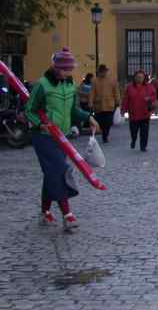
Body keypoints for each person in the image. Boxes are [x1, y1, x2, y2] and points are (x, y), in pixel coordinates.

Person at [25, 48, 99, 231]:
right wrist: (38, 124)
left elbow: (73, 110)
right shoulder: (41, 85)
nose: (69, 72)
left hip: (62, 136)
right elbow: (29, 110)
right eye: (65, 69)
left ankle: (45, 211)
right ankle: (68, 214)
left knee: (52, 173)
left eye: (70, 69)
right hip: (44, 136)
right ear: (56, 68)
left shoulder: (70, 85)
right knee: (59, 171)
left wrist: (88, 117)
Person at [122, 70, 156, 152]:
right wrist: (123, 109)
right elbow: (126, 99)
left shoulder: (149, 86)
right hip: (133, 113)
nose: (139, 78)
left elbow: (154, 96)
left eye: (141, 77)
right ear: (134, 78)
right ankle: (133, 140)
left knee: (144, 132)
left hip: (145, 112)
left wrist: (149, 99)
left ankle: (143, 146)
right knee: (133, 131)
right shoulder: (130, 87)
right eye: (138, 77)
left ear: (144, 78)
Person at [89, 65, 120, 144]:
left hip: (110, 105)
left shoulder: (113, 80)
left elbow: (116, 92)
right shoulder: (94, 80)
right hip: (98, 106)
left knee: (108, 121)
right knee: (100, 121)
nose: (102, 73)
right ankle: (103, 132)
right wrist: (90, 103)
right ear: (98, 72)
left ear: (106, 71)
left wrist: (118, 101)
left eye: (104, 71)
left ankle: (105, 135)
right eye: (101, 71)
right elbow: (92, 93)